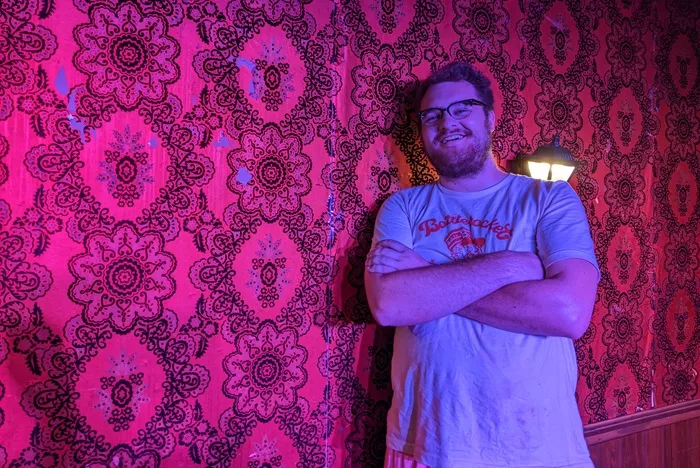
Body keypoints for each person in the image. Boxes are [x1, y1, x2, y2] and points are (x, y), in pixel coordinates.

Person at [364, 61, 600, 468]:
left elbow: (569, 312)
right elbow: (390, 304)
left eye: (461, 109)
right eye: (432, 116)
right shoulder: (403, 206)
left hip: (535, 446)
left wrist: (425, 273)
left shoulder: (550, 198)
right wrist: (512, 266)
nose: (446, 122)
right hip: (426, 442)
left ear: (490, 118)